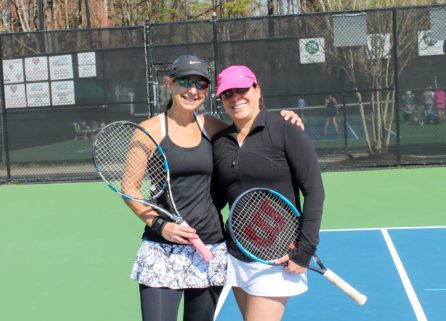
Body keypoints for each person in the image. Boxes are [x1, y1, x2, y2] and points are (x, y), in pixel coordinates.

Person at [123, 55, 304, 321]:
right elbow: (130, 188)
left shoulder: (213, 128)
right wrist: (162, 226)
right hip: (161, 248)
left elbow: (251, 128)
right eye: (185, 81)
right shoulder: (148, 131)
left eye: (201, 85)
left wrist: (284, 117)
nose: (193, 90)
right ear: (170, 84)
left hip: (208, 247)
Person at [212, 65, 325, 321]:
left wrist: (305, 250)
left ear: (257, 89)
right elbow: (217, 198)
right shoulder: (221, 142)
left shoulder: (286, 129)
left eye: (242, 89)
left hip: (277, 254)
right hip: (237, 253)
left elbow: (314, 190)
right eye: (227, 93)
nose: (235, 97)